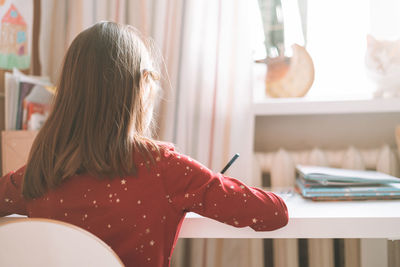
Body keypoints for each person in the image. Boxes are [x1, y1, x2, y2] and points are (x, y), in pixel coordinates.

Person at [0, 22, 288, 267]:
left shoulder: (39, 174)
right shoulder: (164, 169)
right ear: (141, 88)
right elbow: (274, 213)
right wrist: (209, 183)